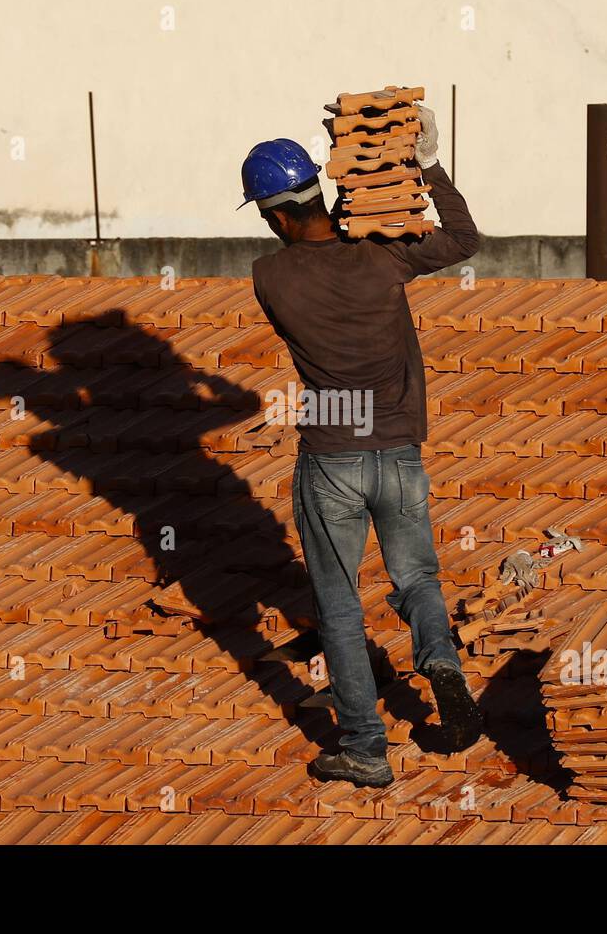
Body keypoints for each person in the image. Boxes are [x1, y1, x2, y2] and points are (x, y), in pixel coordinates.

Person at [240, 106, 483, 787]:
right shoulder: (382, 253)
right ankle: (439, 660)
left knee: (340, 604)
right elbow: (465, 238)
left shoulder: (271, 278)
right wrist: (422, 164)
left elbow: (316, 253)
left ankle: (365, 749)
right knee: (418, 581)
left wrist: (353, 203)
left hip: (331, 463)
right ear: (319, 187)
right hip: (399, 452)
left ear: (274, 216)